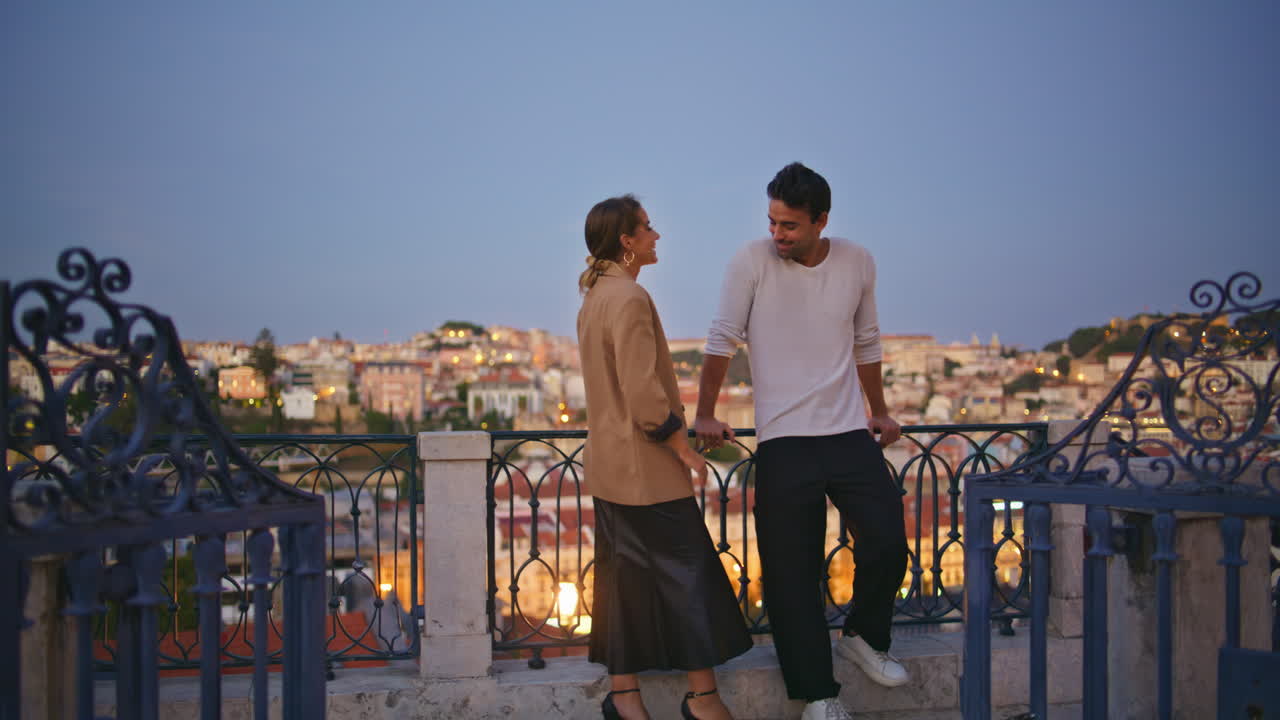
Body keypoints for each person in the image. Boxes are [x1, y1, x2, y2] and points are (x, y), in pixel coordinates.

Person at [693, 163, 910, 720]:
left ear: (821, 221)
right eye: (772, 222)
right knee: (792, 573)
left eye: (789, 225)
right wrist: (705, 413)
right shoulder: (750, 261)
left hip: (847, 431)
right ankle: (818, 695)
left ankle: (864, 637)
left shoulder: (857, 261)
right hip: (784, 438)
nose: (777, 234)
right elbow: (722, 338)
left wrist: (880, 410)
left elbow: (866, 340)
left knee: (888, 540)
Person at [577, 195, 752, 720]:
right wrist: (682, 447)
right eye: (648, 228)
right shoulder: (629, 297)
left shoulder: (594, 297)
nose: (657, 235)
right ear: (627, 241)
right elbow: (642, 390)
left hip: (610, 465)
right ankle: (703, 699)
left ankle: (626, 697)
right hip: (646, 466)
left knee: (622, 581)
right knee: (689, 576)